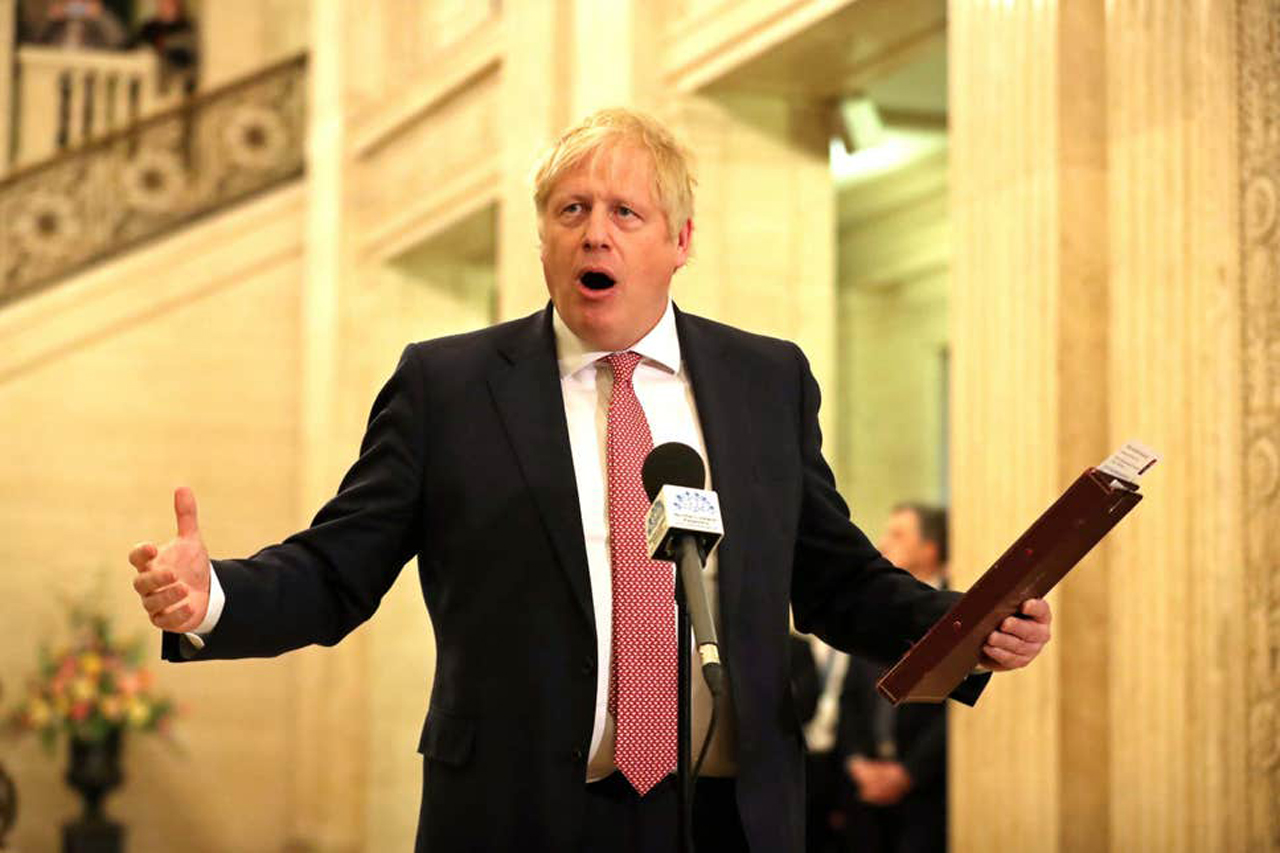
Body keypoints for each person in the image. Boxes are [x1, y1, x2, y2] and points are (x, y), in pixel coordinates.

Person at [126, 108, 1052, 853]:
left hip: (727, 813)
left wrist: (969, 626)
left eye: (624, 213)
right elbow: (337, 569)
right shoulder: (448, 387)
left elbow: (834, 577)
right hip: (519, 810)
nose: (593, 234)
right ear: (542, 238)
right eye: (570, 211)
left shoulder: (765, 380)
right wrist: (213, 597)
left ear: (681, 239)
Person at [836, 503, 952, 853]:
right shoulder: (874, 609)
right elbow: (850, 699)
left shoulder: (953, 615)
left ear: (929, 550)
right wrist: (857, 762)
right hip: (865, 793)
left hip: (927, 794)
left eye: (898, 535)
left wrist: (908, 773)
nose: (883, 543)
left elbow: (954, 713)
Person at [128, 0, 198, 94]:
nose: (165, 6)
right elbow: (135, 44)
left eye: (169, 3)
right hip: (145, 78)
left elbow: (186, 54)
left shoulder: (185, 27)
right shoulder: (150, 26)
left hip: (173, 81)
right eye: (162, 3)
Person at [34, 0, 127, 50]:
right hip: (56, 62)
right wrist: (52, 20)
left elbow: (119, 41)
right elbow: (36, 42)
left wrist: (100, 17)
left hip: (87, 65)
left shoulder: (100, 16)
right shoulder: (57, 19)